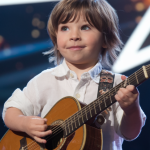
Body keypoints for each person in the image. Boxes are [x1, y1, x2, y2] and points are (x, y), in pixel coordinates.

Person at [2, 0, 146, 150]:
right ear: (55, 39)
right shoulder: (44, 81)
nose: (74, 36)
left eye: (85, 27)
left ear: (105, 39)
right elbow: (11, 110)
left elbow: (130, 133)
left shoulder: (117, 83)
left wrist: (131, 109)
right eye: (65, 28)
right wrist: (24, 123)